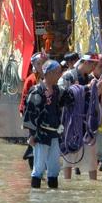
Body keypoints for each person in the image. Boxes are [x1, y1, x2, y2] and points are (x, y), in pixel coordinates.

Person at [23, 59, 65, 189]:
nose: (60, 75)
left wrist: (92, 88)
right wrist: (31, 135)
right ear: (50, 73)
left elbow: (71, 98)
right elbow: (30, 114)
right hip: (41, 134)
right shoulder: (37, 91)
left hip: (54, 133)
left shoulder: (58, 91)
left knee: (54, 167)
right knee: (39, 166)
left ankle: (53, 196)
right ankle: (35, 196)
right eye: (58, 72)